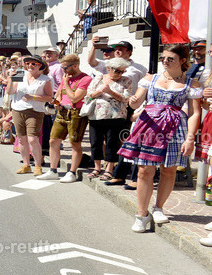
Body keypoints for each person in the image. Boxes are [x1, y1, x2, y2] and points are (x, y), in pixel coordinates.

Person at [119, 44, 201, 233]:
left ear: (182, 60)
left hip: (175, 126)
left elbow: (195, 113)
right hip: (149, 125)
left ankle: (158, 207)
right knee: (143, 170)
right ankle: (141, 214)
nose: (165, 61)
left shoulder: (191, 83)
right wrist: (133, 101)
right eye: (163, 58)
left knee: (169, 170)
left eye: (170, 58)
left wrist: (190, 138)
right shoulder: (151, 78)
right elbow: (137, 100)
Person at [36, 54, 91, 182]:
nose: (63, 70)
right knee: (53, 140)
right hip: (62, 112)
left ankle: (72, 172)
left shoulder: (85, 79)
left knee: (75, 143)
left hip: (76, 113)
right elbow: (58, 95)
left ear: (75, 66)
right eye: (62, 67)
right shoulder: (67, 77)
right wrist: (57, 104)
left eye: (65, 68)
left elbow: (75, 98)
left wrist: (66, 83)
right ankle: (53, 170)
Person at [83, 57, 132, 181]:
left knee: (112, 143)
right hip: (96, 115)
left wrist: (110, 92)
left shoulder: (126, 81)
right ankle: (97, 168)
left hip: (116, 116)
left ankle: (109, 169)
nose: (119, 74)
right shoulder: (99, 78)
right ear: (109, 68)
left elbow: (126, 98)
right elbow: (88, 95)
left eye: (122, 71)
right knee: (95, 142)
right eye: (117, 71)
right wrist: (99, 92)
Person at [10, 55, 52, 175]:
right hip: (17, 109)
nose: (30, 66)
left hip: (35, 111)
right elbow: (11, 92)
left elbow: (49, 97)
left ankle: (38, 166)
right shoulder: (19, 74)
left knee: (33, 139)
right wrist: (10, 80)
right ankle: (26, 165)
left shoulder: (45, 79)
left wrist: (32, 97)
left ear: (40, 66)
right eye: (28, 63)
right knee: (22, 139)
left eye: (34, 64)